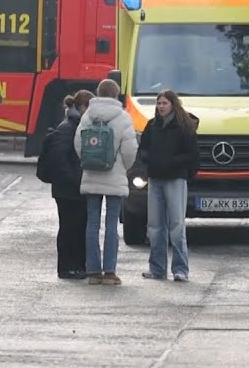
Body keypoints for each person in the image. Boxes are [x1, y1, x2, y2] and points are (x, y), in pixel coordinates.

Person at [73, 79, 138, 286]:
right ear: (116, 95)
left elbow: (78, 143)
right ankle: (109, 272)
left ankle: (93, 271)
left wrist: (88, 161)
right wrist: (123, 168)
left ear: (98, 93)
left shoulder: (87, 116)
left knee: (92, 224)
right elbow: (129, 151)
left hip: (91, 175)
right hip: (115, 177)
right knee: (111, 224)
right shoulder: (124, 118)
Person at [138, 89, 199, 282]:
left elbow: (192, 154)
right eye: (159, 103)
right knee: (155, 226)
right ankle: (157, 269)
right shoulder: (152, 125)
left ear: (173, 104)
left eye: (164, 103)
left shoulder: (184, 127)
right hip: (155, 179)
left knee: (177, 225)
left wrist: (170, 162)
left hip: (175, 179)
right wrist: (151, 160)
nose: (161, 107)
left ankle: (181, 269)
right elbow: (143, 149)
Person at [38, 91, 92, 280]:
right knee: (70, 229)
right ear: (83, 107)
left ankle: (75, 266)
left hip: (70, 188)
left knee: (74, 228)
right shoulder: (69, 127)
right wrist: (75, 180)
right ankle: (68, 268)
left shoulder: (72, 124)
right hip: (68, 190)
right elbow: (59, 158)